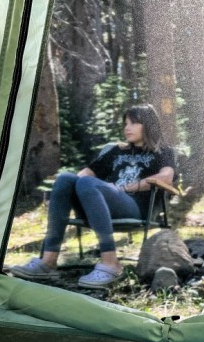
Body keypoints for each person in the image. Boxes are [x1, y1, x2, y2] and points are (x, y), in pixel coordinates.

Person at [10, 104, 176, 288]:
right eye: (125, 123)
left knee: (87, 183)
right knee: (65, 178)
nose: (126, 128)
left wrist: (125, 187)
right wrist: (61, 193)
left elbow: (166, 177)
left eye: (133, 123)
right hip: (100, 205)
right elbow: (84, 175)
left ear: (148, 124)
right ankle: (48, 261)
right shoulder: (116, 151)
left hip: (136, 207)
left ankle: (110, 262)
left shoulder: (163, 151)